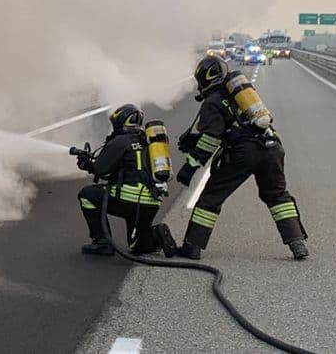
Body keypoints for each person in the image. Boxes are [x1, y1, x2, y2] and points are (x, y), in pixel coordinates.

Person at [174, 55, 309, 260]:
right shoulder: (242, 95)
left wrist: (190, 167)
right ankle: (297, 243)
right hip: (272, 147)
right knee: (277, 196)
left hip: (244, 153)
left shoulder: (212, 102)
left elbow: (211, 138)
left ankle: (192, 247)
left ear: (203, 79)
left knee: (210, 199)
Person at [76, 104, 175, 257]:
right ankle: (155, 235)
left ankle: (103, 243)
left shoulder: (120, 141)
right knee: (137, 247)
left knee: (87, 194)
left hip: (129, 201)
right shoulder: (148, 141)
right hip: (151, 202)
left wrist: (86, 164)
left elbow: (101, 170)